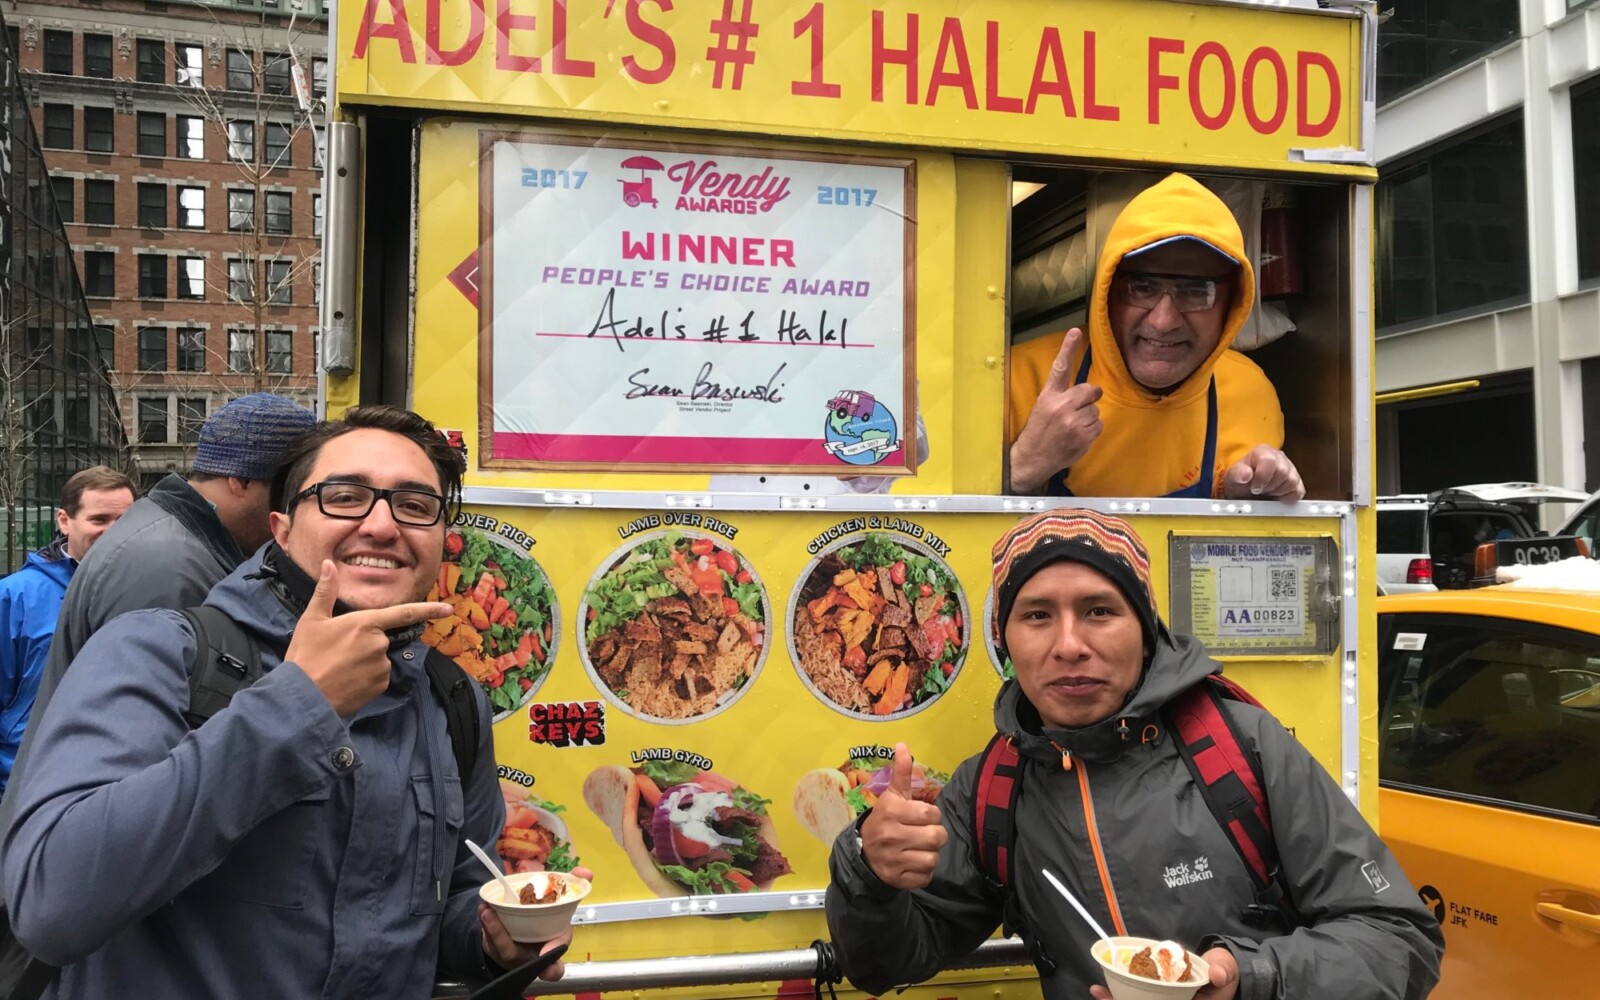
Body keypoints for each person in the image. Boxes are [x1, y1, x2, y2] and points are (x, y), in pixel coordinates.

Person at [2, 405, 576, 997]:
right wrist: (300, 704)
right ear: (281, 527)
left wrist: (489, 938)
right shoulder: (158, 650)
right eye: (345, 496)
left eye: (414, 505)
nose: (382, 525)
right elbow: (51, 903)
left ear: (439, 539)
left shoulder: (453, 698)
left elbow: (448, 901)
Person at [825, 509, 1443, 1000]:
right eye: (1037, 615)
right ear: (1004, 640)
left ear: (1144, 631)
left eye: (1099, 611)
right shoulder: (992, 789)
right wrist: (868, 875)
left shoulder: (1239, 747)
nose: (1069, 646)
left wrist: (1248, 979)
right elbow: (888, 964)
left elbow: (1398, 939)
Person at [1007, 173, 1304, 501]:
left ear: (1232, 302)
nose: (1164, 321)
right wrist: (1024, 466)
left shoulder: (1251, 391)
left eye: (1195, 291)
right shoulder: (1018, 378)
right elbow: (946, 539)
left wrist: (1246, 501)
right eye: (1143, 287)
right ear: (1109, 291)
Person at [0, 466, 135, 796]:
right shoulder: (14, 598)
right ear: (64, 521)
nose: (114, 532)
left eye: (125, 521)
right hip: (26, 791)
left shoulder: (151, 591)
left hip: (120, 790)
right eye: (99, 519)